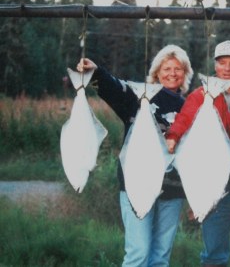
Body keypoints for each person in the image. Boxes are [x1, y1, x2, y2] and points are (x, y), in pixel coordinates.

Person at [76, 45, 193, 267]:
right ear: (157, 72)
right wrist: (96, 72)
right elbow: (113, 89)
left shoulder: (190, 107)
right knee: (138, 253)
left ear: (185, 73)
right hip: (136, 184)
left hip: (173, 189)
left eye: (178, 68)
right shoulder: (136, 100)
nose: (172, 73)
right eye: (167, 68)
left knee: (160, 257)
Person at [166, 40, 230, 267]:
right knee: (213, 254)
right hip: (212, 183)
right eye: (222, 63)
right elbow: (184, 119)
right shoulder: (201, 94)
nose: (227, 69)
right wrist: (173, 136)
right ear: (215, 66)